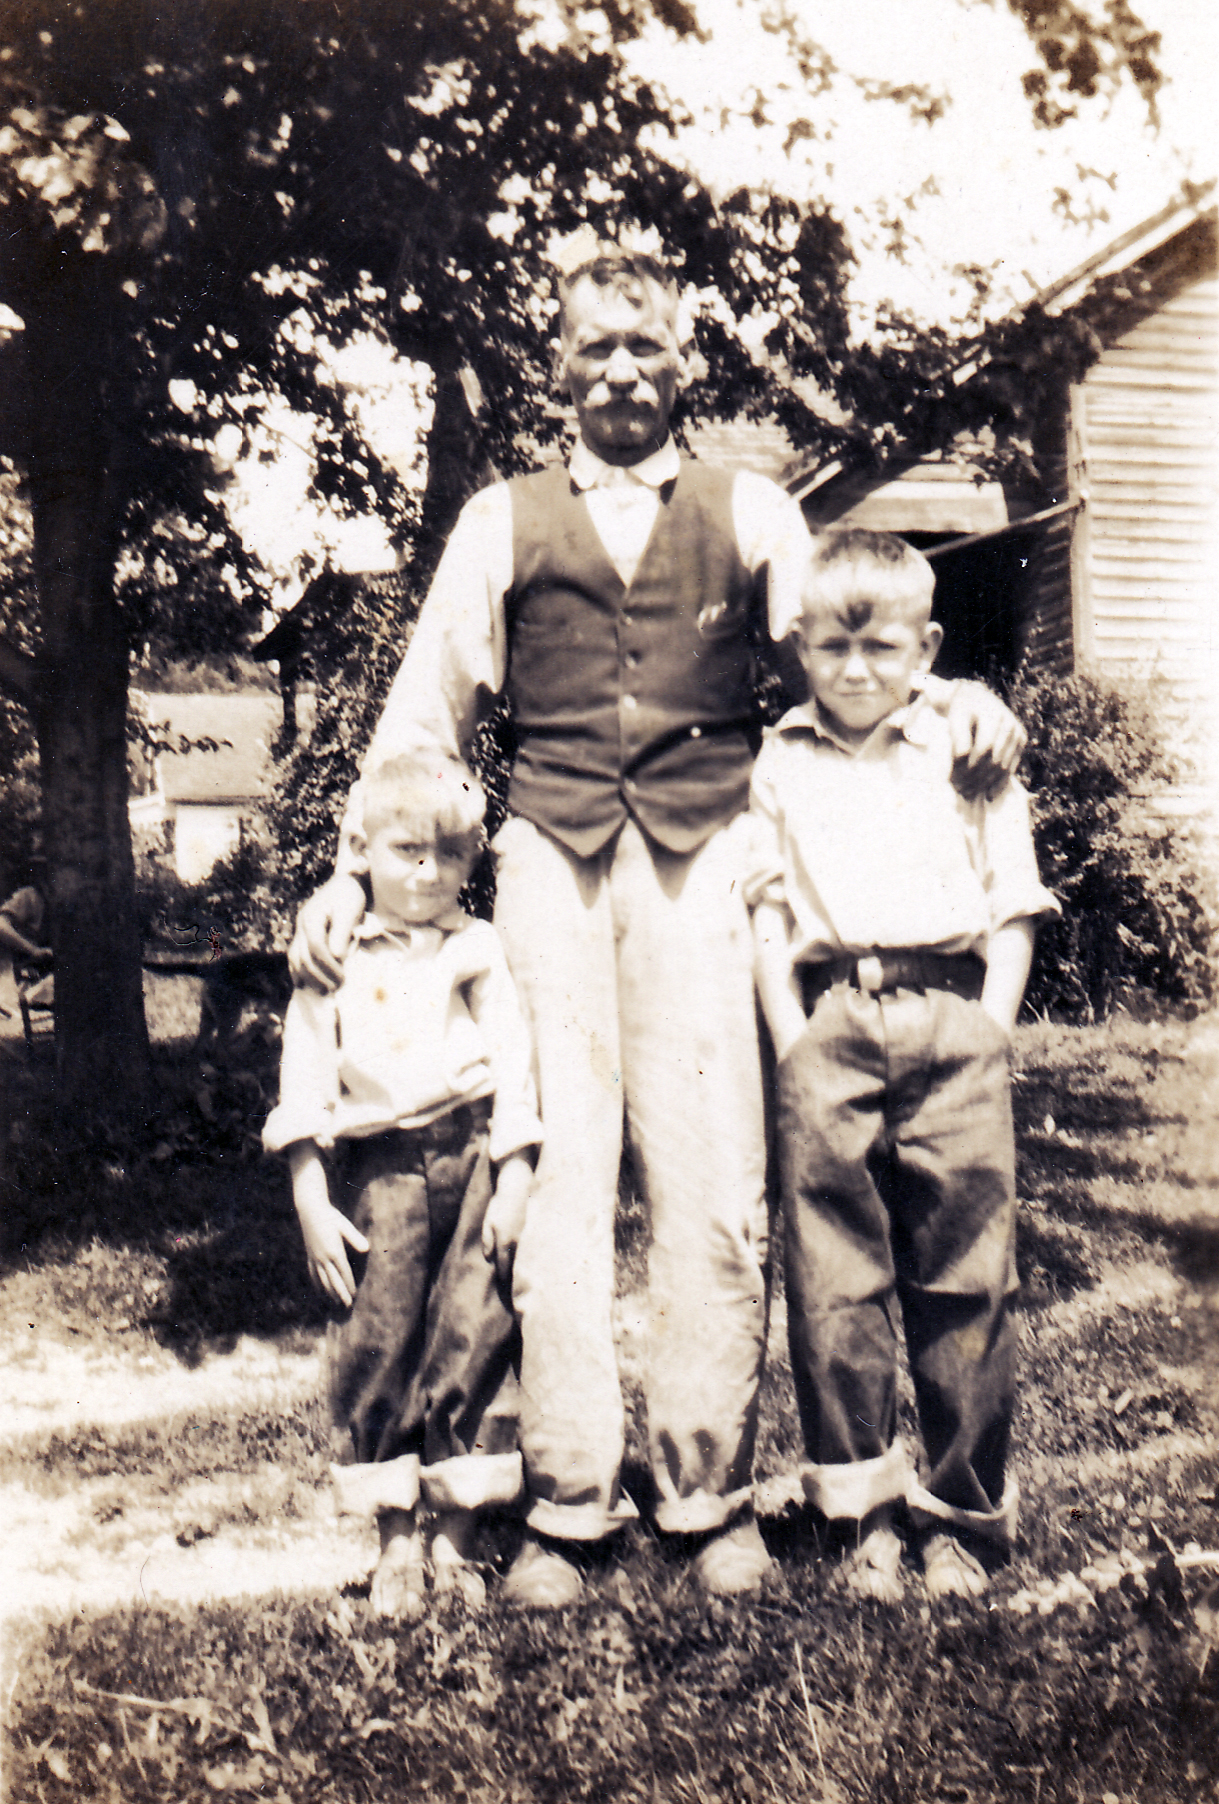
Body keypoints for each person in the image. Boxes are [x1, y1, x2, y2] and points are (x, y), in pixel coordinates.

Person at [291, 246, 1027, 1607]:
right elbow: (423, 716)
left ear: (683, 364)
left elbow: (853, 646)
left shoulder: (748, 507)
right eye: (595, 350)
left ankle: (705, 1497)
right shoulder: (501, 520)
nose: (621, 371)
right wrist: (349, 872)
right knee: (554, 1186)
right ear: (557, 370)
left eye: (645, 348)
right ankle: (567, 1500)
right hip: (548, 864)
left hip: (706, 858)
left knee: (712, 1184)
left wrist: (960, 703)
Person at [748, 528, 1058, 1601]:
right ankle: (863, 1515)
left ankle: (958, 1516)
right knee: (833, 1275)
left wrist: (990, 1027)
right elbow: (766, 911)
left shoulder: (968, 750)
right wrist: (791, 1038)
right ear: (800, 646)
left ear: (924, 647)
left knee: (966, 1271)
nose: (854, 669)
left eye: (879, 647)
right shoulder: (780, 758)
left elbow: (1012, 904)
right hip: (830, 1020)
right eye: (831, 647)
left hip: (951, 1018)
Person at [265, 750, 542, 1619]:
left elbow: (514, 1063)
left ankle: (456, 1540)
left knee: (474, 1329)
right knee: (377, 1339)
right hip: (376, 1168)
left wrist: (514, 1174)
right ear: (361, 850)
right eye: (407, 852)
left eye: (449, 855)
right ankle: (393, 1542)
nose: (427, 874)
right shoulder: (334, 956)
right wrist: (310, 1197)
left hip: (471, 1154)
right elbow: (305, 1074)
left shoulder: (475, 946)